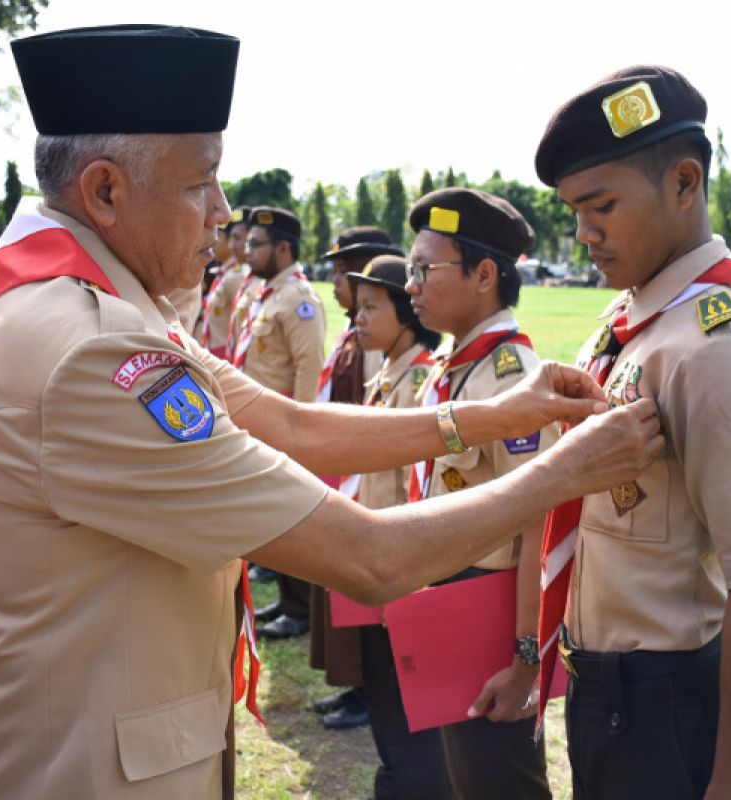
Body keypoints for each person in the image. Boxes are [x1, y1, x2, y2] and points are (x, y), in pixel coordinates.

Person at [0, 26, 663, 799]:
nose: (221, 212)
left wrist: (497, 414)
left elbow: (290, 424)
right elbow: (369, 559)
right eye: (199, 183)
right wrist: (564, 470)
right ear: (107, 191)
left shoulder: (99, 315)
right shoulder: (92, 348)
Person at [534, 65, 731, 799]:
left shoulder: (717, 345)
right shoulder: (639, 321)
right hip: (610, 694)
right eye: (573, 211)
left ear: (684, 183)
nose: (582, 233)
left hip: (669, 708)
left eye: (601, 206)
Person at [403, 187, 556, 799]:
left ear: (485, 274)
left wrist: (525, 657)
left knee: (501, 782)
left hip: (490, 609)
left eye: (424, 269)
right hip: (446, 594)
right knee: (468, 777)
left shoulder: (513, 377)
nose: (411, 284)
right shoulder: (455, 366)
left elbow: (538, 522)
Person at [346, 253, 452, 798]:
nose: (358, 319)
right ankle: (396, 777)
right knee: (384, 693)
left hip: (409, 569)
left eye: (370, 308)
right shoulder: (388, 371)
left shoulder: (420, 379)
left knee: (408, 702)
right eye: (357, 308)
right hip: (383, 561)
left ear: (406, 318)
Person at [304, 226, 403, 731]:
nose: (336, 284)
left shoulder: (377, 345)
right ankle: (355, 686)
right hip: (342, 471)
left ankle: (366, 691)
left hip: (365, 482)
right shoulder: (354, 333)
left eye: (345, 274)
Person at [232, 205, 326, 640]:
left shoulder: (300, 299)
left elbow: (309, 369)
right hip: (259, 426)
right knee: (274, 516)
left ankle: (300, 609)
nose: (247, 251)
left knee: (294, 516)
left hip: (284, 428)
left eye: (256, 244)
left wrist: (302, 434)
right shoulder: (268, 293)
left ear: (283, 248)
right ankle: (288, 601)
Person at [196, 207, 250, 357]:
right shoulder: (225, 273)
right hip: (211, 351)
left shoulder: (237, 276)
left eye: (218, 236)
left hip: (224, 355)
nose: (213, 241)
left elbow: (241, 326)